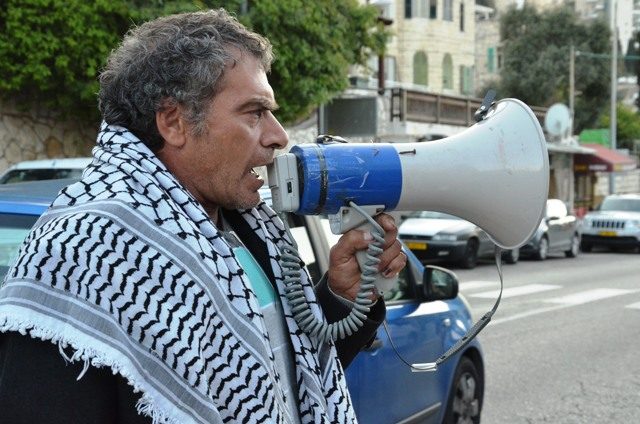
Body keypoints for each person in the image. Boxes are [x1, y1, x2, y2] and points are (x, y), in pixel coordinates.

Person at [0, 8, 406, 424]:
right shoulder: (83, 247)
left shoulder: (250, 228)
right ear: (174, 122)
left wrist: (341, 297)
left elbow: (280, 386)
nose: (278, 135)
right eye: (254, 112)